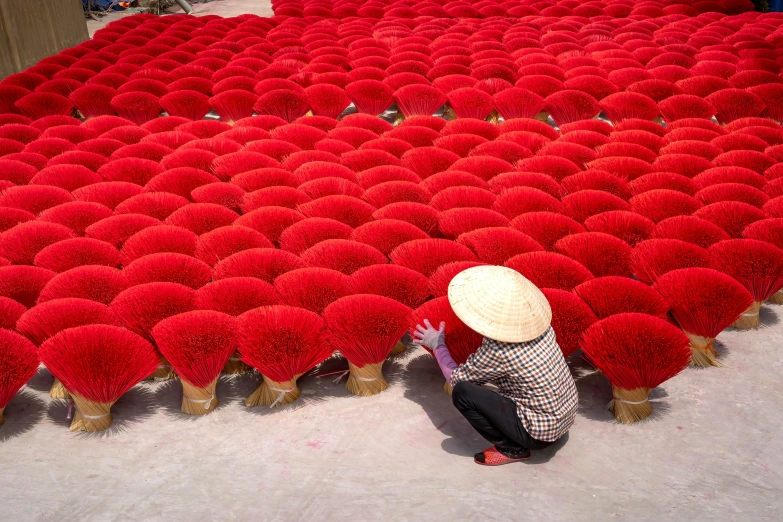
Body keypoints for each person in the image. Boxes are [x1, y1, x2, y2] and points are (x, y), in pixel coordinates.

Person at [413, 265, 578, 466]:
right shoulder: (541, 327)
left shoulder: (498, 350)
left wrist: (437, 345)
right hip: (565, 416)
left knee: (463, 393)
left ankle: (512, 449)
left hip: (538, 435)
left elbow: (456, 379)